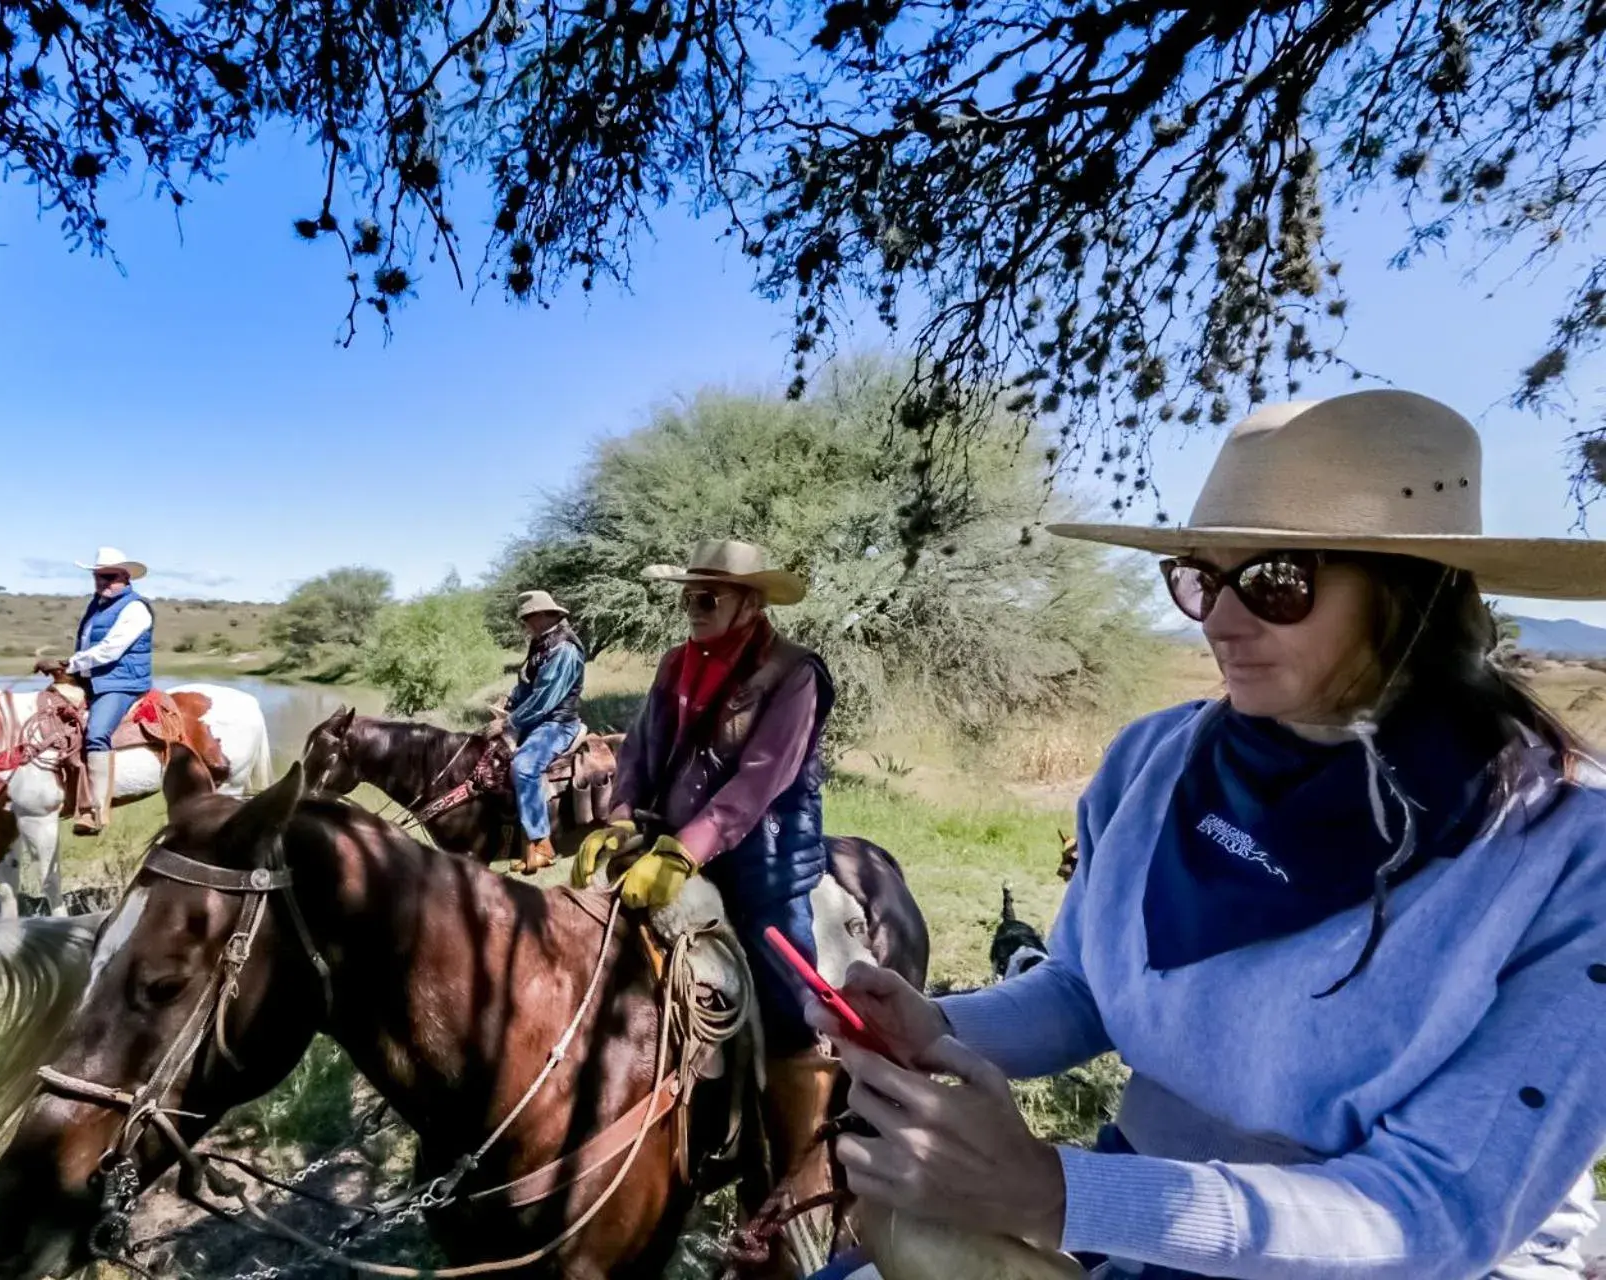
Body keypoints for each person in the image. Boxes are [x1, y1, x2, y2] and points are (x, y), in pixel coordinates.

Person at [813, 390, 1606, 1279]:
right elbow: (1087, 990)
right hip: (1138, 1213)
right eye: (1199, 577)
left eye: (1276, 582)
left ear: (1412, 592)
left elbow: (1436, 1210)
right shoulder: (1156, 760)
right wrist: (936, 1024)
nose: (1220, 622)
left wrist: (1054, 1192)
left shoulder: (1571, 854)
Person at [574, 538, 841, 1235]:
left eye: (708, 597)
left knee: (789, 1003)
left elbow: (759, 782)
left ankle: (797, 1171)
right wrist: (621, 817)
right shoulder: (674, 663)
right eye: (689, 596)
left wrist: (687, 852)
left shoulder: (795, 676)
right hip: (666, 841)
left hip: (764, 863)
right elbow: (639, 750)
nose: (693, 608)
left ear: (750, 603)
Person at [36, 546, 154, 836]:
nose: (102, 582)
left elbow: (111, 649)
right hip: (94, 678)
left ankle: (95, 810)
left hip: (121, 682)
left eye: (109, 577)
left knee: (97, 732)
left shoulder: (135, 608)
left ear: (126, 577)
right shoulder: (97, 605)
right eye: (98, 577)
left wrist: (70, 663)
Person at [500, 590, 587, 874]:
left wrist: (510, 722)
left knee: (524, 766)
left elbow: (544, 700)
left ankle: (541, 844)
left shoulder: (564, 650)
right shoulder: (541, 645)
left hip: (556, 724)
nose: (526, 623)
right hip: (537, 720)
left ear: (541, 616)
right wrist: (509, 701)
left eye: (528, 617)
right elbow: (527, 684)